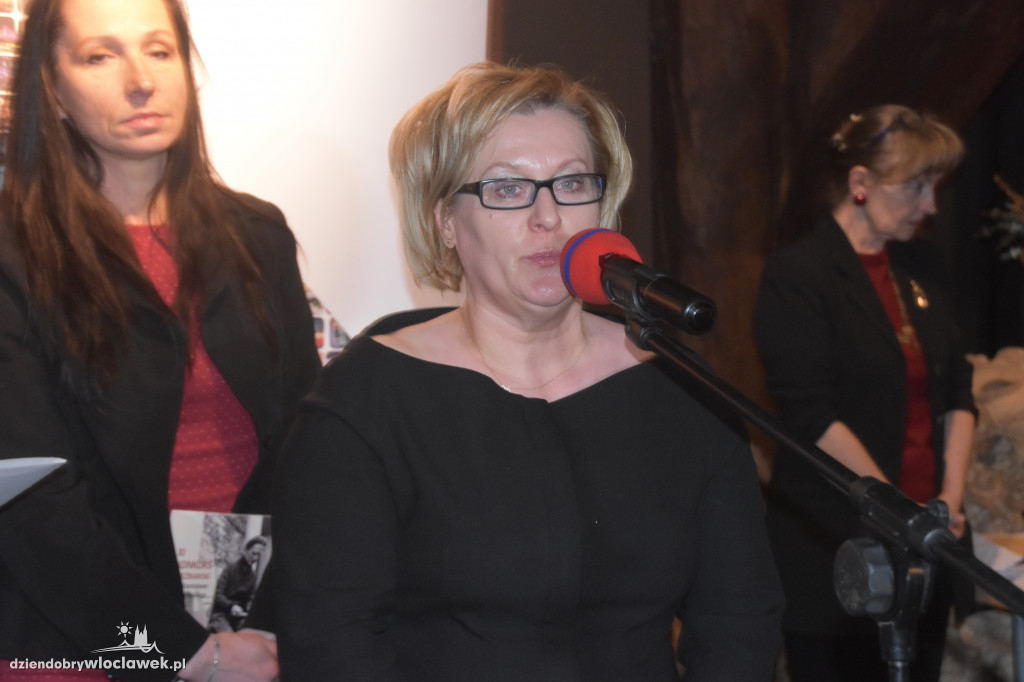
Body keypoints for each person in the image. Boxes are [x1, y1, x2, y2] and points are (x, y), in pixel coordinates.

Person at [273, 61, 784, 681]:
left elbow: (739, 622)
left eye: (572, 183)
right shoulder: (363, 403)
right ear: (444, 220)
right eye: (508, 188)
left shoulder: (680, 388)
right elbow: (330, 643)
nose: (548, 217)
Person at [0, 0, 320, 680]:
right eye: (99, 55)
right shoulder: (14, 253)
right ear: (51, 90)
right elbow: (31, 498)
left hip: (253, 629)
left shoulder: (259, 236)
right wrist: (183, 652)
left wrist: (259, 622)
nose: (141, 80)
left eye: (159, 50)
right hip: (81, 641)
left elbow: (309, 446)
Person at [753, 104, 975, 682]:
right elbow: (810, 415)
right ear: (860, 183)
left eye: (934, 187)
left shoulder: (922, 265)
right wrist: (895, 509)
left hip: (929, 543)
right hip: (838, 547)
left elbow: (959, 390)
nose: (930, 206)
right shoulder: (798, 274)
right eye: (916, 187)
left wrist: (948, 501)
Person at [209, 537, 268, 633]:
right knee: (229, 637)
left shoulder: (253, 577)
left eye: (258, 556)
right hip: (221, 614)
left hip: (238, 617)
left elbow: (249, 600)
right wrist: (231, 606)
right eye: (254, 553)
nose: (255, 558)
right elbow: (218, 594)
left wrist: (251, 609)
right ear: (245, 551)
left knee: (251, 634)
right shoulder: (230, 569)